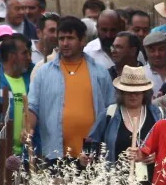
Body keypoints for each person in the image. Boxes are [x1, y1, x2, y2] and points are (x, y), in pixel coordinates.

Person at [25, 16, 115, 165]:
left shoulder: (100, 72)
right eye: (61, 39)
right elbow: (33, 107)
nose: (65, 43)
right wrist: (27, 128)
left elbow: (110, 110)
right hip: (56, 154)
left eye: (70, 38)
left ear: (82, 40)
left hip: (93, 154)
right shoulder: (43, 72)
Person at [84, 66, 163, 185]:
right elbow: (91, 141)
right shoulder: (110, 113)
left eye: (137, 92)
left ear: (145, 92)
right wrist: (86, 156)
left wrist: (157, 156)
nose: (133, 95)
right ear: (121, 92)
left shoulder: (157, 114)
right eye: (128, 92)